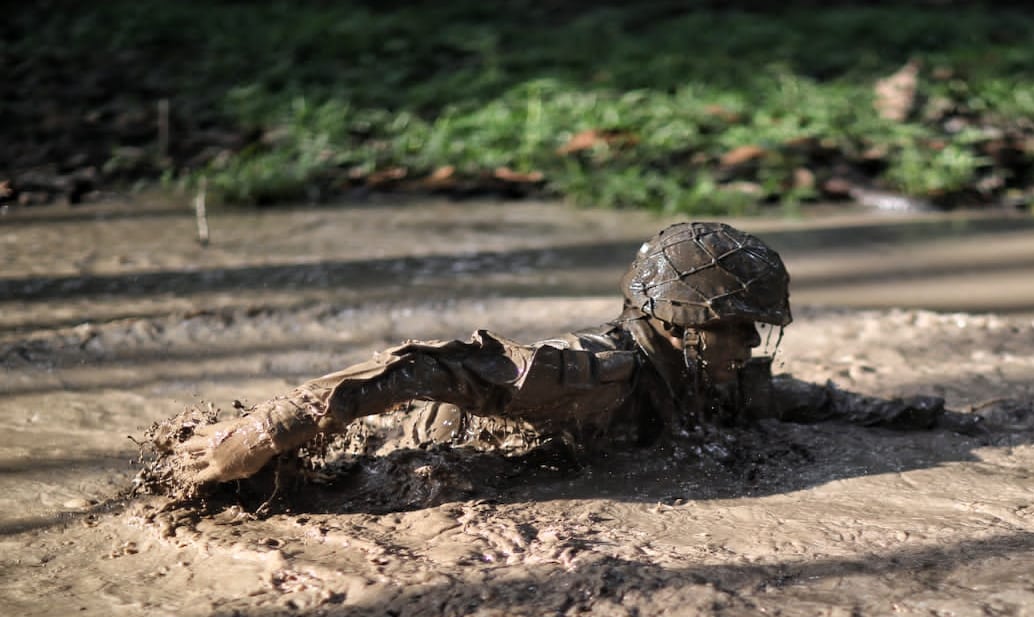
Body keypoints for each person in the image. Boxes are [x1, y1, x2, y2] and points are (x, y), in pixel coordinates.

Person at [154, 221, 966, 492]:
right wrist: (262, 433)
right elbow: (421, 366)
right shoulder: (588, 374)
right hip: (402, 461)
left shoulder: (708, 381)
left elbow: (801, 399)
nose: (751, 345)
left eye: (756, 329)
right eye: (738, 328)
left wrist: (930, 419)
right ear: (685, 326)